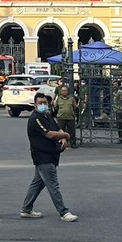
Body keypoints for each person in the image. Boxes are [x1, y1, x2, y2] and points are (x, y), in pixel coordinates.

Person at [20, 92, 79, 222]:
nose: (43, 105)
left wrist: (63, 136)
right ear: (34, 105)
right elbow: (50, 134)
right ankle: (63, 212)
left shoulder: (47, 116)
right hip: (42, 156)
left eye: (45, 103)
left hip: (51, 154)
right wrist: (67, 136)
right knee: (53, 185)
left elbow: (58, 129)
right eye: (40, 103)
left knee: (37, 183)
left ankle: (26, 208)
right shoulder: (35, 118)